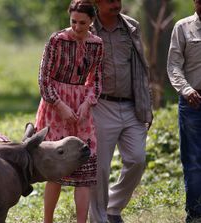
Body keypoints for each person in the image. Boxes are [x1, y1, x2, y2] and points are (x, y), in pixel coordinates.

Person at [35, 1, 103, 222]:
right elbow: (43, 80)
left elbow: (97, 80)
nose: (77, 26)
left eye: (82, 23)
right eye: (73, 21)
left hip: (81, 109)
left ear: (91, 21)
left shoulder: (97, 44)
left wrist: (87, 103)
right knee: (56, 169)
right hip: (56, 108)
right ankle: (48, 221)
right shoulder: (57, 40)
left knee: (84, 169)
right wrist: (60, 105)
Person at [89, 0, 153, 223]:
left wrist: (147, 103)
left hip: (131, 105)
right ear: (97, 2)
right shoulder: (88, 28)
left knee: (137, 159)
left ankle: (113, 207)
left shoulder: (131, 26)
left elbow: (141, 67)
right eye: (110, 0)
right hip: (101, 105)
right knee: (100, 168)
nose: (116, 4)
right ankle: (99, 218)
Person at [167, 1, 201, 222]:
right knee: (194, 161)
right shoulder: (183, 27)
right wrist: (186, 90)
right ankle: (196, 213)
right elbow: (174, 65)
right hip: (193, 102)